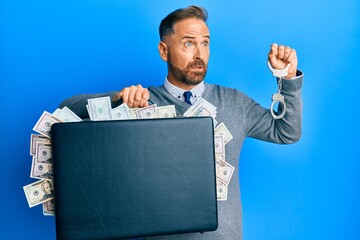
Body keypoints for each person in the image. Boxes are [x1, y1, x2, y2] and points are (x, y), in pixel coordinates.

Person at [59, 5, 303, 240]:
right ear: (164, 51)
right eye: (188, 43)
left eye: (205, 43)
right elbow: (64, 111)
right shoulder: (139, 102)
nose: (199, 54)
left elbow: (287, 132)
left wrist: (288, 79)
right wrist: (115, 100)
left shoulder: (234, 102)